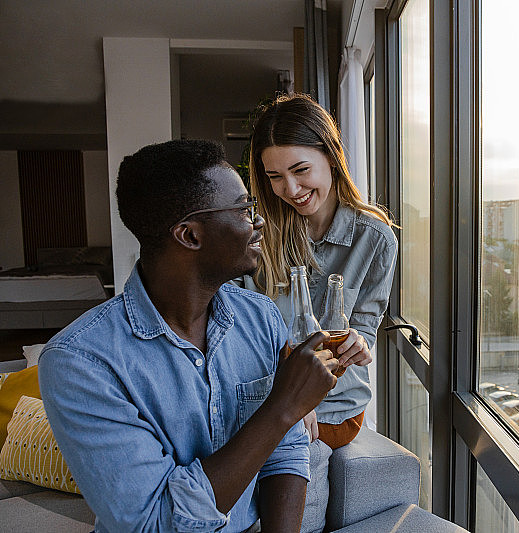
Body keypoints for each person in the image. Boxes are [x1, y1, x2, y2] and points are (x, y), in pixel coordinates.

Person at [38, 139, 339, 533]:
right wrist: (283, 407)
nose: (260, 220)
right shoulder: (79, 362)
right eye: (245, 209)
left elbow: (286, 451)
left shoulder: (261, 317)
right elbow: (154, 523)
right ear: (190, 235)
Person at [245, 94, 397, 450]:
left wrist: (356, 344)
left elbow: (363, 329)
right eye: (275, 177)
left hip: (335, 406)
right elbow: (245, 334)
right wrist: (288, 401)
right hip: (269, 398)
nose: (291, 190)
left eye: (300, 170)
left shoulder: (375, 239)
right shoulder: (259, 235)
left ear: (330, 155)